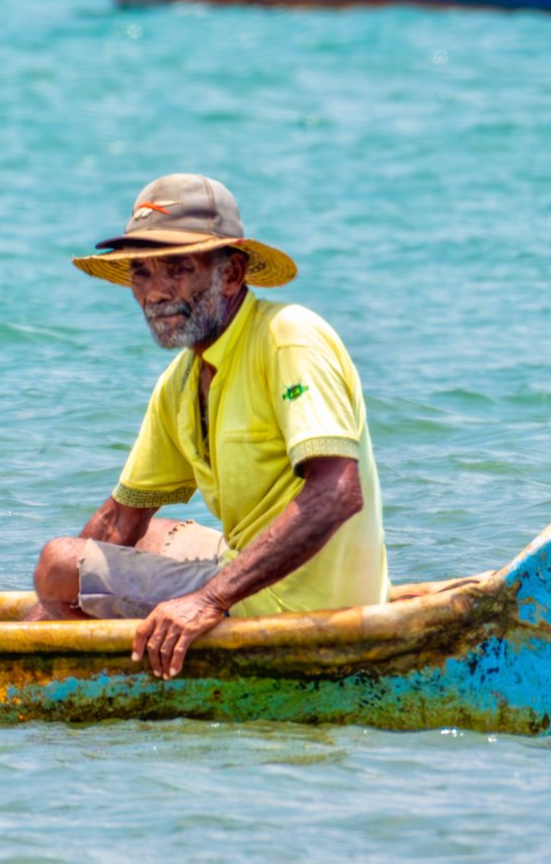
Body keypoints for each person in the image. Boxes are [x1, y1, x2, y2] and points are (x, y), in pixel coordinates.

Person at [29, 173, 389, 680]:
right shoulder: (180, 381)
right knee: (145, 537)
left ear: (232, 273)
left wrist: (208, 599)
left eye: (177, 269)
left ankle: (85, 674)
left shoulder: (288, 339)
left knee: (58, 563)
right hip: (258, 574)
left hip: (305, 600)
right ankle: (61, 650)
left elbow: (337, 493)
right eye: (142, 274)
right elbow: (119, 525)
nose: (156, 293)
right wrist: (36, 616)